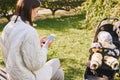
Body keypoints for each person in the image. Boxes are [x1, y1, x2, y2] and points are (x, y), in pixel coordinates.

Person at [0, 0, 64, 80]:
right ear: (30, 10)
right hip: (26, 77)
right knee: (56, 62)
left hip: (12, 75)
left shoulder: (8, 27)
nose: (37, 15)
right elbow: (35, 65)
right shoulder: (29, 31)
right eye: (36, 11)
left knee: (58, 73)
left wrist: (37, 45)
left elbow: (17, 50)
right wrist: (45, 47)